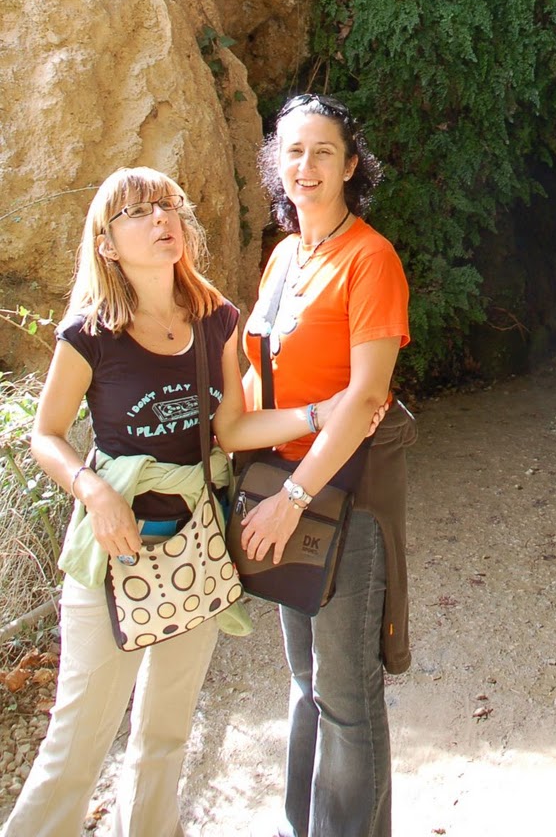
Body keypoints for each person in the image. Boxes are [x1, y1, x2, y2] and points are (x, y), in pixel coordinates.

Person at [3, 167, 336, 837]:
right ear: (107, 243)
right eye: (139, 212)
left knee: (164, 737)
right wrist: (93, 490)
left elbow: (233, 429)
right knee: (77, 744)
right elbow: (46, 436)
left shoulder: (215, 320)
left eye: (169, 206)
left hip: (194, 548)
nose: (162, 220)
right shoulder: (89, 335)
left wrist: (319, 414)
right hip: (113, 552)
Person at [239, 93, 413, 837]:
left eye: (322, 152)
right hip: (282, 482)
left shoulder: (369, 259)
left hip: (343, 491)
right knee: (305, 683)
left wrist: (295, 496)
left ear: (350, 166)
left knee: (345, 693)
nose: (304, 165)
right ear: (277, 164)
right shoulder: (284, 256)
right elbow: (258, 388)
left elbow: (367, 393)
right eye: (293, 151)